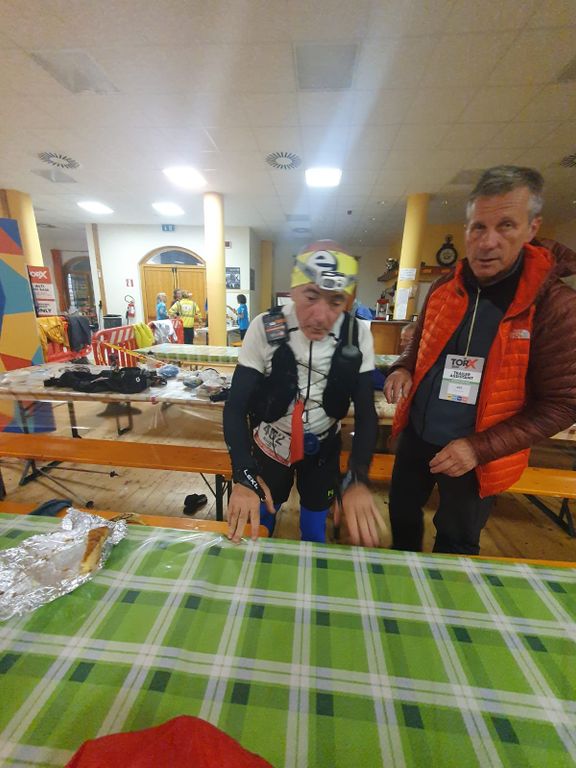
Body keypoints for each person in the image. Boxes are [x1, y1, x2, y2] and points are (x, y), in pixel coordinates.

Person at [384, 165, 576, 556]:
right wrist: (403, 366)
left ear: (532, 228)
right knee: (402, 517)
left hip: (477, 454)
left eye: (506, 226)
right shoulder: (444, 285)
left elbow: (564, 403)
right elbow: (420, 339)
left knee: (456, 542)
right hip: (417, 436)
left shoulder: (556, 306)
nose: (488, 242)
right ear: (467, 228)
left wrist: (478, 448)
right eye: (478, 228)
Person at [223, 240, 383, 546]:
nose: (321, 316)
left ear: (347, 301)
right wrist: (242, 473)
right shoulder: (265, 326)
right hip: (271, 443)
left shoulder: (357, 334)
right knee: (260, 528)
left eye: (336, 301)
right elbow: (235, 407)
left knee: (313, 532)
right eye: (311, 296)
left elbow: (366, 413)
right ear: (293, 291)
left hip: (323, 446)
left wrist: (358, 478)